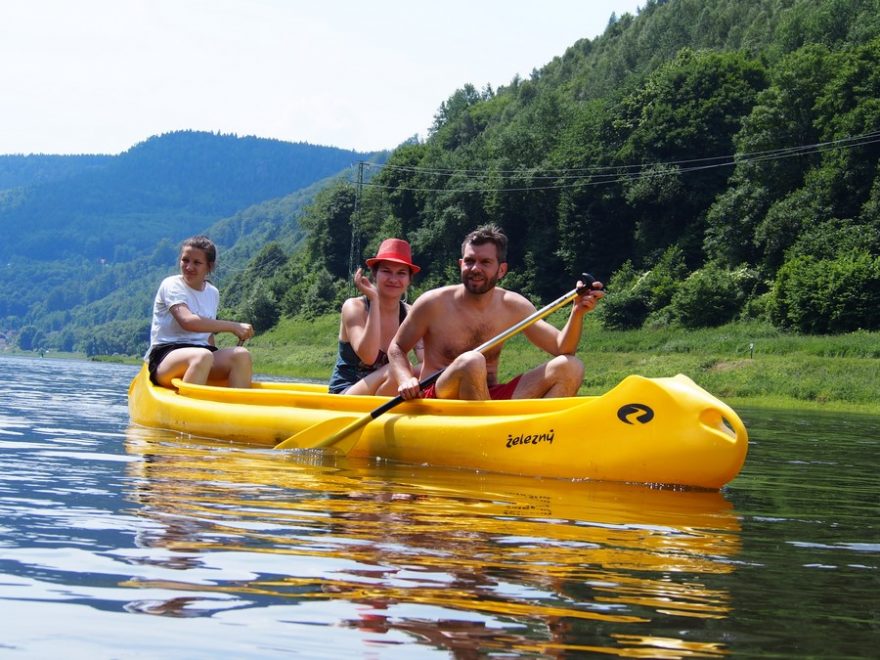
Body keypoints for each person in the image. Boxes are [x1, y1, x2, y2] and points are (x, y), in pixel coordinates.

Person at [388, 224, 604, 401]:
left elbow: (562, 348)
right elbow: (397, 347)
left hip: (488, 397)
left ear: (501, 270)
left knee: (571, 367)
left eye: (485, 262)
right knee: (471, 362)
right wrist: (406, 379)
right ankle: (495, 432)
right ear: (461, 264)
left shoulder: (513, 305)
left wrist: (577, 312)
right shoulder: (433, 303)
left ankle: (536, 434)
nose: (475, 268)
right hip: (440, 397)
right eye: (470, 261)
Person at [145, 235, 254, 388]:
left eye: (196, 262)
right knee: (202, 356)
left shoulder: (212, 292)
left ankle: (236, 402)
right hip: (166, 355)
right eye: (185, 260)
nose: (189, 267)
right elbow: (187, 321)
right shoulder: (171, 285)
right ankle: (188, 402)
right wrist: (233, 326)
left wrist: (215, 349)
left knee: (242, 355)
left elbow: (208, 335)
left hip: (204, 354)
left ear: (209, 266)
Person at [328, 238, 424, 395]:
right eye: (386, 271)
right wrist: (374, 300)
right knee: (398, 369)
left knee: (420, 371)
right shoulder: (354, 307)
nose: (393, 279)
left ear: (409, 280)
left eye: (401, 273)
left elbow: (426, 360)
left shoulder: (410, 313)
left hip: (385, 388)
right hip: (347, 393)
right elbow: (369, 357)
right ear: (374, 274)